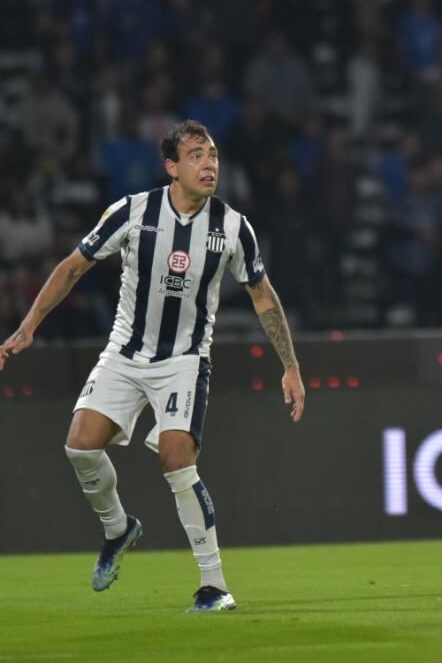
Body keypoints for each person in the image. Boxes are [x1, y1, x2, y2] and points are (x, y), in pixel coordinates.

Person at [0, 120, 306, 613]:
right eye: (196, 156)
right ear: (172, 167)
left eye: (213, 156)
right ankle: (118, 529)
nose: (209, 165)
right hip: (124, 352)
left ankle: (214, 586)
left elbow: (263, 298)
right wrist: (29, 324)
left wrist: (289, 365)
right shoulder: (133, 211)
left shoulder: (232, 227)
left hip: (184, 360)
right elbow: (72, 266)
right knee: (79, 445)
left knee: (177, 458)